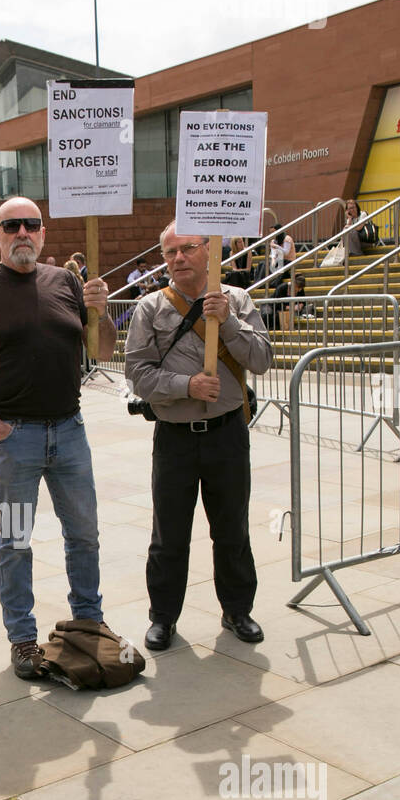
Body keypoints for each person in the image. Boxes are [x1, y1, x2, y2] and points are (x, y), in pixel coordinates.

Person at [0, 196, 117, 678]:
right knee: (16, 542)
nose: (23, 232)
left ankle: (89, 624)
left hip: (70, 432)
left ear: (43, 234)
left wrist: (99, 313)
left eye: (32, 225)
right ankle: (22, 638)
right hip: (16, 440)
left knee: (84, 535)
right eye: (12, 225)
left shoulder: (66, 281)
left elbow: (103, 350)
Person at [125, 225, 273, 651]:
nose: (177, 258)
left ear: (207, 250)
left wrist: (227, 323)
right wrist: (184, 386)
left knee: (231, 530)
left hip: (227, 435)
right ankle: (163, 617)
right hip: (174, 439)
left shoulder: (238, 301)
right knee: (169, 535)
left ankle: (237, 610)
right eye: (168, 252)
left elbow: (262, 359)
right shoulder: (150, 307)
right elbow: (138, 373)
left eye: (186, 249)